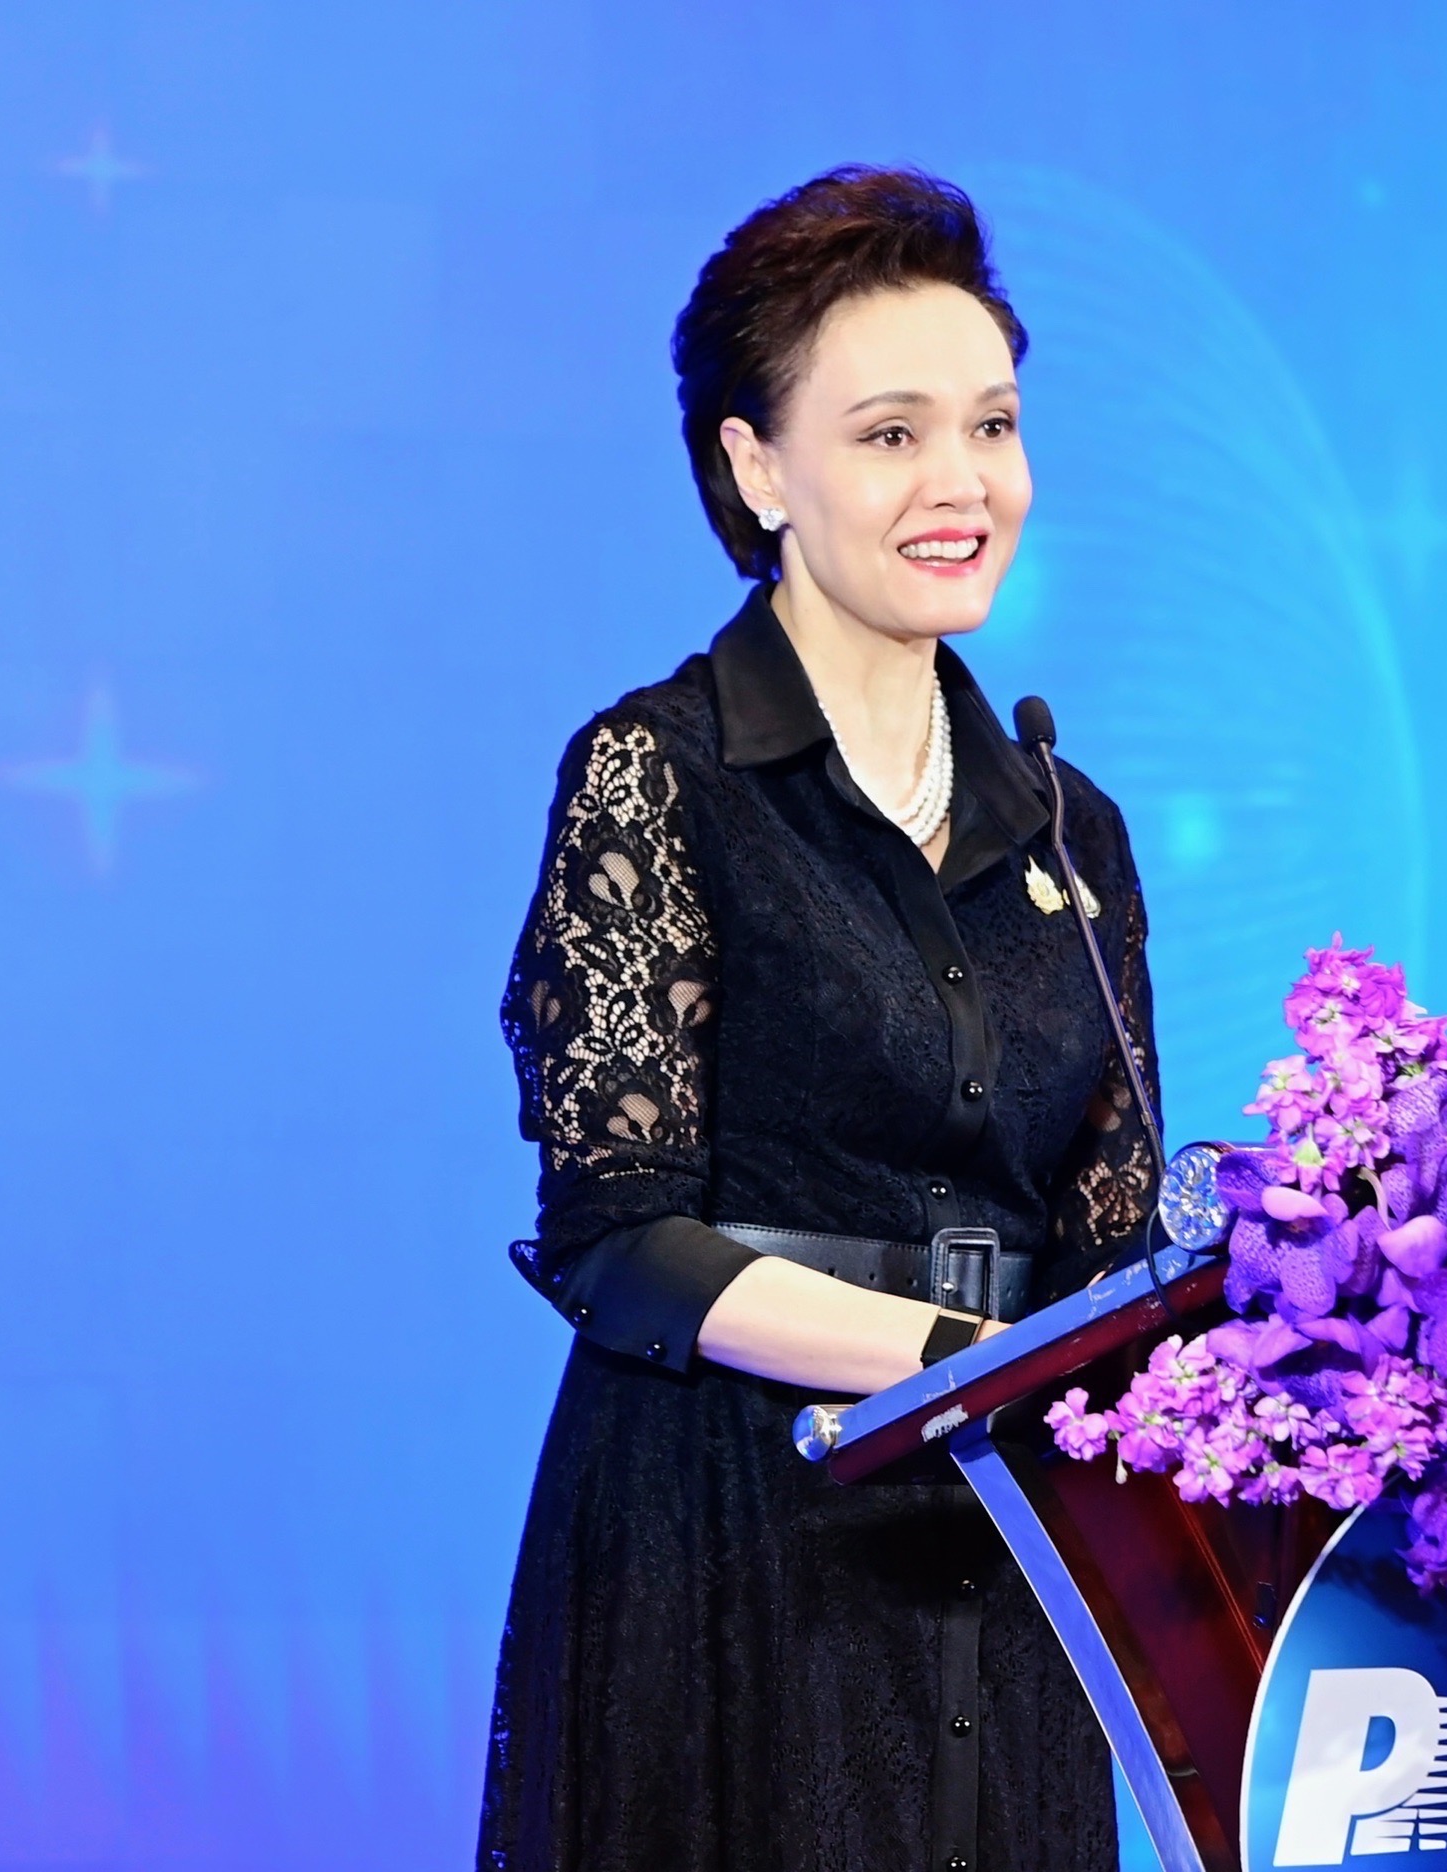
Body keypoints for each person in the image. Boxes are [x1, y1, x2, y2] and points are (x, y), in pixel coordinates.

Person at [477, 166, 1159, 1872]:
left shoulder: (1071, 829)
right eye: (890, 435)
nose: (962, 483)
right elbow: (620, 1240)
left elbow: (1114, 1247)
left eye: (991, 427)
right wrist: (951, 1364)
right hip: (732, 1542)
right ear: (758, 466)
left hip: (1011, 1562)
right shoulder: (661, 774)